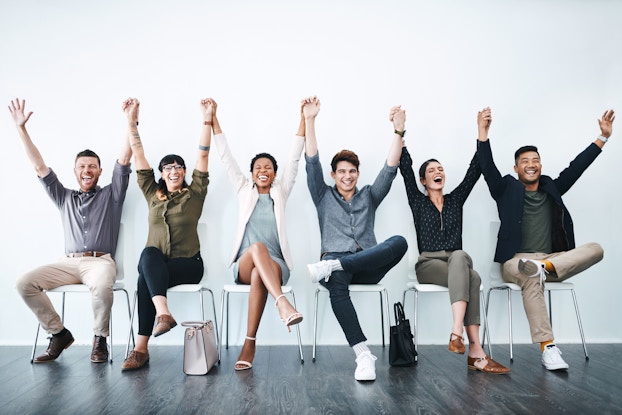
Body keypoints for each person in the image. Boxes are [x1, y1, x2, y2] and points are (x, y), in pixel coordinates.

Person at [477, 106, 614, 370]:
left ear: (541, 165)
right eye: (525, 161)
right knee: (530, 275)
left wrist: (603, 138)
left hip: (551, 261)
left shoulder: (552, 187)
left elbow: (577, 167)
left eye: (535, 160)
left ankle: (545, 268)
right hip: (514, 261)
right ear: (516, 168)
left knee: (596, 248)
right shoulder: (505, 189)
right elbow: (487, 167)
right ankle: (548, 348)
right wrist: (483, 132)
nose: (531, 164)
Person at [10, 98, 132, 363]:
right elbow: (39, 166)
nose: (86, 170)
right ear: (75, 172)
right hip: (67, 263)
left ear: (99, 171)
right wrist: (21, 129)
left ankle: (100, 340)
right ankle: (59, 333)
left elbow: (124, 158)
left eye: (91, 167)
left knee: (101, 284)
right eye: (81, 167)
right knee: (24, 283)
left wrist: (129, 121)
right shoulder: (63, 196)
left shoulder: (113, 195)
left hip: (99, 262)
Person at [398, 108, 509, 374]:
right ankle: (468, 344)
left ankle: (467, 344)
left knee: (466, 267)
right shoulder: (417, 201)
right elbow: (405, 167)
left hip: (456, 262)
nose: (438, 172)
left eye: (441, 169)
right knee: (473, 276)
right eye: (431, 170)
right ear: (423, 180)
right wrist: (400, 130)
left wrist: (482, 132)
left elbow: (476, 168)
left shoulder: (456, 200)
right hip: (428, 265)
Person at [305, 100, 408, 381]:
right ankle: (363, 355)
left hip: (366, 266)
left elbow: (389, 169)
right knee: (338, 278)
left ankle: (336, 265)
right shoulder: (322, 195)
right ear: (333, 175)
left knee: (399, 241)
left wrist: (399, 131)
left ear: (358, 174)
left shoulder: (369, 196)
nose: (347, 176)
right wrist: (310, 120)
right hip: (335, 268)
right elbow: (311, 161)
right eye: (341, 171)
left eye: (352, 171)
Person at [212, 98, 305, 371]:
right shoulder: (244, 190)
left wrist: (303, 117)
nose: (263, 171)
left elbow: (295, 157)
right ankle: (282, 304)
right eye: (258, 168)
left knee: (259, 273)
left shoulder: (281, 192)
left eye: (268, 168)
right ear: (252, 175)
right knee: (256, 248)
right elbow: (226, 156)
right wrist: (214, 118)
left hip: (276, 266)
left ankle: (249, 344)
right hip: (245, 259)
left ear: (275, 174)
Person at [121, 97, 212, 371]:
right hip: (156, 264)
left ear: (184, 172)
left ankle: (141, 349)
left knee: (144, 277)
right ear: (161, 173)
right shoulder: (152, 193)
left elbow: (203, 155)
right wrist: (131, 121)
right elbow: (137, 153)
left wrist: (207, 119)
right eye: (168, 167)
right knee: (149, 257)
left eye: (178, 167)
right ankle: (162, 315)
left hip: (188, 266)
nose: (174, 170)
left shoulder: (195, 193)